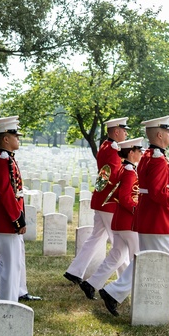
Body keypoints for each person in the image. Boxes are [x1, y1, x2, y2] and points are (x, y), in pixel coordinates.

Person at [99, 116, 169, 316]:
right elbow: (159, 192)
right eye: (168, 132)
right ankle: (167, 306)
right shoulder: (157, 159)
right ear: (159, 134)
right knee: (166, 262)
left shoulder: (148, 156)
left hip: (149, 218)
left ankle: (113, 292)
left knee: (144, 261)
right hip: (160, 219)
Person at [63, 117, 129, 286]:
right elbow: (114, 176)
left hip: (103, 200)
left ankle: (75, 271)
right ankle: (126, 279)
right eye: (124, 130)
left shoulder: (108, 146)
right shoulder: (113, 149)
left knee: (96, 238)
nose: (126, 133)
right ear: (116, 132)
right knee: (118, 243)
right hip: (109, 201)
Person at [79, 136, 146, 300]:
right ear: (131, 153)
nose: (141, 153)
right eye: (139, 150)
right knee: (137, 258)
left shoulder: (124, 169)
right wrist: (138, 210)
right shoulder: (130, 172)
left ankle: (91, 284)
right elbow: (125, 198)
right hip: (129, 223)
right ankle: (126, 292)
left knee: (116, 256)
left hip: (119, 221)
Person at [0, 116, 28, 302]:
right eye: (15, 135)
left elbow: (16, 192)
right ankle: (8, 304)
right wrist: (17, 219)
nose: (18, 138)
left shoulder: (7, 158)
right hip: (5, 220)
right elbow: (6, 193)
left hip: (5, 220)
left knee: (8, 264)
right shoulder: (2, 160)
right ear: (6, 139)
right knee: (11, 265)